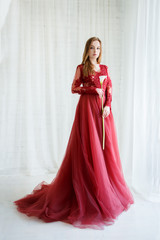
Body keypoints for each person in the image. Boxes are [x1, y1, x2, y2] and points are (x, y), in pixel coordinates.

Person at [14, 37, 134, 230]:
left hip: (101, 112)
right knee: (88, 147)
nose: (95, 51)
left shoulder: (104, 69)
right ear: (87, 50)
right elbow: (74, 88)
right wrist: (91, 89)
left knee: (104, 149)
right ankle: (85, 190)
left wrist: (108, 106)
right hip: (86, 110)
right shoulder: (81, 68)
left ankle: (103, 189)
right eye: (92, 48)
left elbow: (109, 89)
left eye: (98, 48)